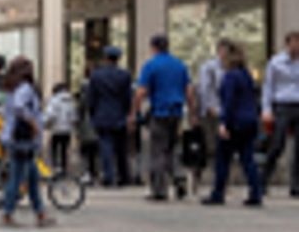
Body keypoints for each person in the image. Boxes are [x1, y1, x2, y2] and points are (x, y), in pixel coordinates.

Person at [131, 34, 193, 201]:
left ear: (153, 47)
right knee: (172, 148)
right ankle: (179, 177)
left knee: (158, 151)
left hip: (159, 112)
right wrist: (193, 113)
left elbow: (141, 92)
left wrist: (134, 112)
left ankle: (159, 189)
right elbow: (189, 91)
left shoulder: (151, 65)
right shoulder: (179, 65)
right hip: (177, 112)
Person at [202, 43, 263, 207]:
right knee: (248, 159)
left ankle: (218, 193)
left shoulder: (230, 77)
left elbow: (229, 102)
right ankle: (256, 191)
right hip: (250, 121)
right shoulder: (246, 75)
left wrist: (223, 123)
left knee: (222, 158)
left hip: (235, 121)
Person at [0, 56, 54, 228]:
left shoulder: (11, 88)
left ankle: (40, 214)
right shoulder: (25, 88)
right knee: (17, 178)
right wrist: (33, 124)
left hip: (14, 137)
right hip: (22, 139)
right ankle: (8, 213)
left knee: (31, 177)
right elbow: (19, 107)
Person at [86, 46, 132, 187]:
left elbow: (91, 98)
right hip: (119, 114)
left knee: (105, 145)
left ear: (105, 58)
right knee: (121, 147)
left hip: (102, 114)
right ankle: (123, 175)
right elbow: (127, 97)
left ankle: (108, 176)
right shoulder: (125, 75)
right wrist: (127, 112)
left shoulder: (96, 75)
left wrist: (92, 112)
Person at [261, 30, 299, 198]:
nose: (296, 47)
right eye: (293, 43)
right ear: (287, 44)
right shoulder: (276, 62)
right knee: (278, 143)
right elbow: (268, 86)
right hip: (282, 104)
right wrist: (266, 110)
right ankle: (263, 180)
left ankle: (296, 184)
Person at [195, 39, 229, 185]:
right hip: (212, 112)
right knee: (210, 146)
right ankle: (200, 175)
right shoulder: (209, 68)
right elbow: (204, 89)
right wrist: (208, 107)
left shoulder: (232, 68)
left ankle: (221, 179)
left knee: (223, 147)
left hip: (226, 111)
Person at [42, 82, 76, 172]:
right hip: (67, 129)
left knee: (54, 149)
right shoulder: (70, 100)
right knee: (64, 150)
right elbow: (74, 116)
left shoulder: (54, 100)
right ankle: (64, 168)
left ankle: (55, 167)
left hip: (56, 129)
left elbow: (50, 114)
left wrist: (45, 123)